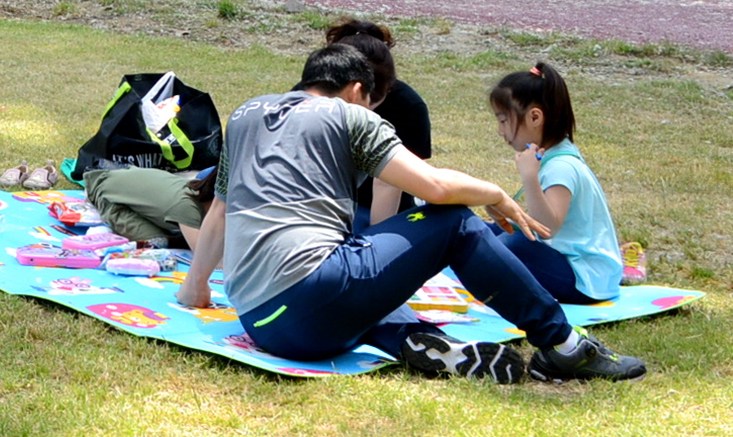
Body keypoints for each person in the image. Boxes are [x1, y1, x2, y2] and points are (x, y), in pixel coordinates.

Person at [177, 44, 645, 383]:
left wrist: (196, 288)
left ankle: (413, 341)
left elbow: (220, 209)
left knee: (363, 268)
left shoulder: (245, 115)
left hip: (261, 323)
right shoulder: (349, 116)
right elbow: (436, 188)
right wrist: (496, 193)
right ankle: (563, 345)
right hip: (314, 302)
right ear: (358, 91)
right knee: (457, 220)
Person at [489, 62, 622, 306]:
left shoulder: (561, 166)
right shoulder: (552, 155)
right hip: (566, 261)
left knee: (508, 246)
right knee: (485, 233)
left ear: (535, 117)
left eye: (503, 121)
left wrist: (530, 178)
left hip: (586, 279)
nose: (500, 131)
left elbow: (546, 228)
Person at [325, 19, 431, 227]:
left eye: (372, 100)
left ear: (387, 86)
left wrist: (375, 244)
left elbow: (391, 183)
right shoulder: (309, 97)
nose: (364, 109)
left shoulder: (409, 106)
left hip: (383, 210)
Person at [82, 166, 214, 249]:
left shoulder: (199, 191)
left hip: (124, 178)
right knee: (155, 241)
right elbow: (206, 257)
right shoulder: (188, 207)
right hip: (107, 192)